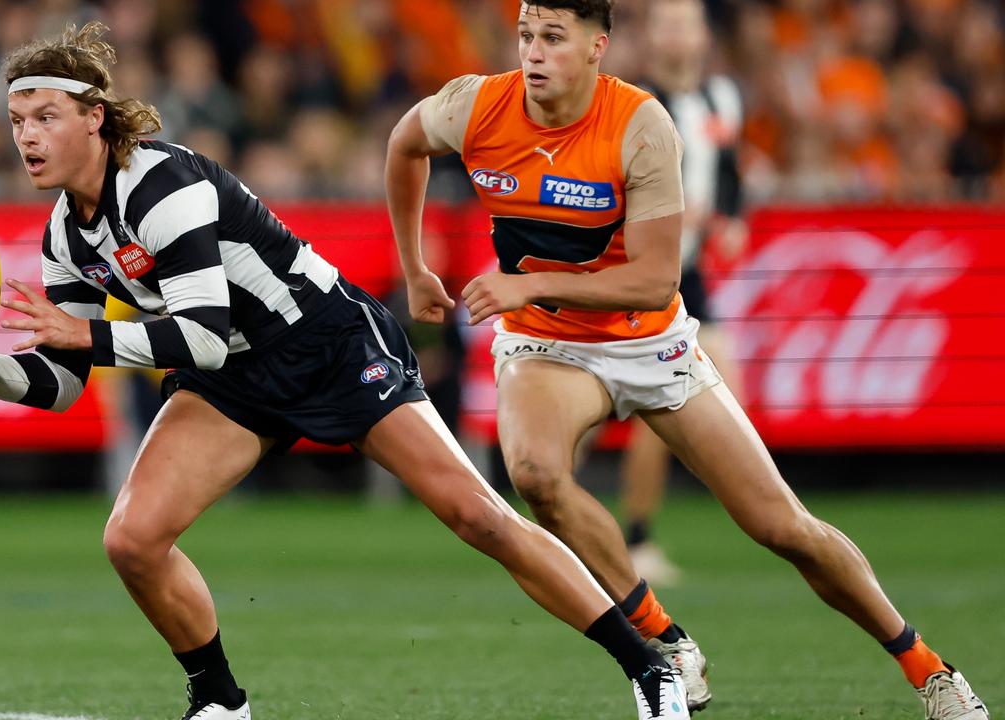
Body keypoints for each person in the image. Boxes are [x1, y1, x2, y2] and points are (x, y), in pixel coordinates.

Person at [0, 22, 688, 720]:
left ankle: (647, 668)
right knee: (133, 539)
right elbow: (63, 384)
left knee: (479, 518)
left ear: (94, 119)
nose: (27, 137)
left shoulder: (162, 187)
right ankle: (218, 699)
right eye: (16, 122)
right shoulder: (64, 238)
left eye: (45, 117)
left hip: (327, 344)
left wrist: (89, 336)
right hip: (237, 378)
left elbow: (199, 336)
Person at [384, 2, 989, 719]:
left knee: (783, 528)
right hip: (546, 342)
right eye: (525, 37)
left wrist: (531, 279)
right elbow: (403, 144)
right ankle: (664, 639)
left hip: (650, 342)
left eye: (553, 38)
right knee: (536, 476)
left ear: (597, 46)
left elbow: (654, 280)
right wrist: (416, 267)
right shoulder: (478, 104)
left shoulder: (640, 125)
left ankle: (928, 668)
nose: (534, 54)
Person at [616, 0, 749, 586]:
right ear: (650, 37)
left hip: (687, 276)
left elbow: (729, 171)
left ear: (701, 36)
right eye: (664, 23)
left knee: (715, 394)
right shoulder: (633, 104)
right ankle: (632, 538)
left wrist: (731, 217)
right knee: (663, 404)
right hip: (640, 272)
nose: (675, 34)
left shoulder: (722, 99)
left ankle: (634, 536)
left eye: (684, 23)